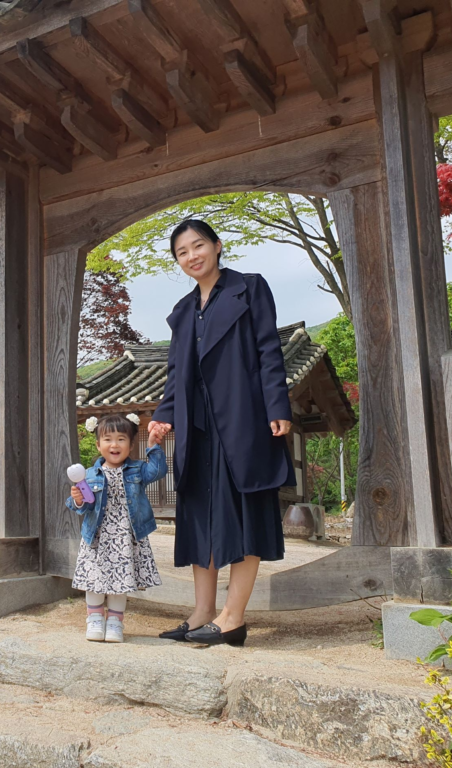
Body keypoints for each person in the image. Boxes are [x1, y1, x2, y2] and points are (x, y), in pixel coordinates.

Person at [148, 219, 294, 648]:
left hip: (245, 418)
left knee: (243, 515)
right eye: (182, 252)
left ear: (216, 245)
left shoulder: (248, 288)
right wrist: (163, 415)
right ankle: (202, 612)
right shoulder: (182, 311)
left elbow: (269, 348)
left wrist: (277, 405)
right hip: (198, 428)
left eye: (198, 246)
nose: (192, 256)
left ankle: (233, 617)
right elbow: (177, 374)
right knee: (200, 517)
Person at [67, 413, 168, 643]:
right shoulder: (89, 474)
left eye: (121, 439)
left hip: (125, 536)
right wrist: (78, 499)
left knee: (119, 582)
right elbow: (81, 508)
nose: (114, 444)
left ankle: (115, 623)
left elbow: (158, 471)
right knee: (94, 580)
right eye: (108, 439)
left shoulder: (137, 470)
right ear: (98, 444)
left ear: (131, 445)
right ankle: (94, 619)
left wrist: (152, 446)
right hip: (97, 538)